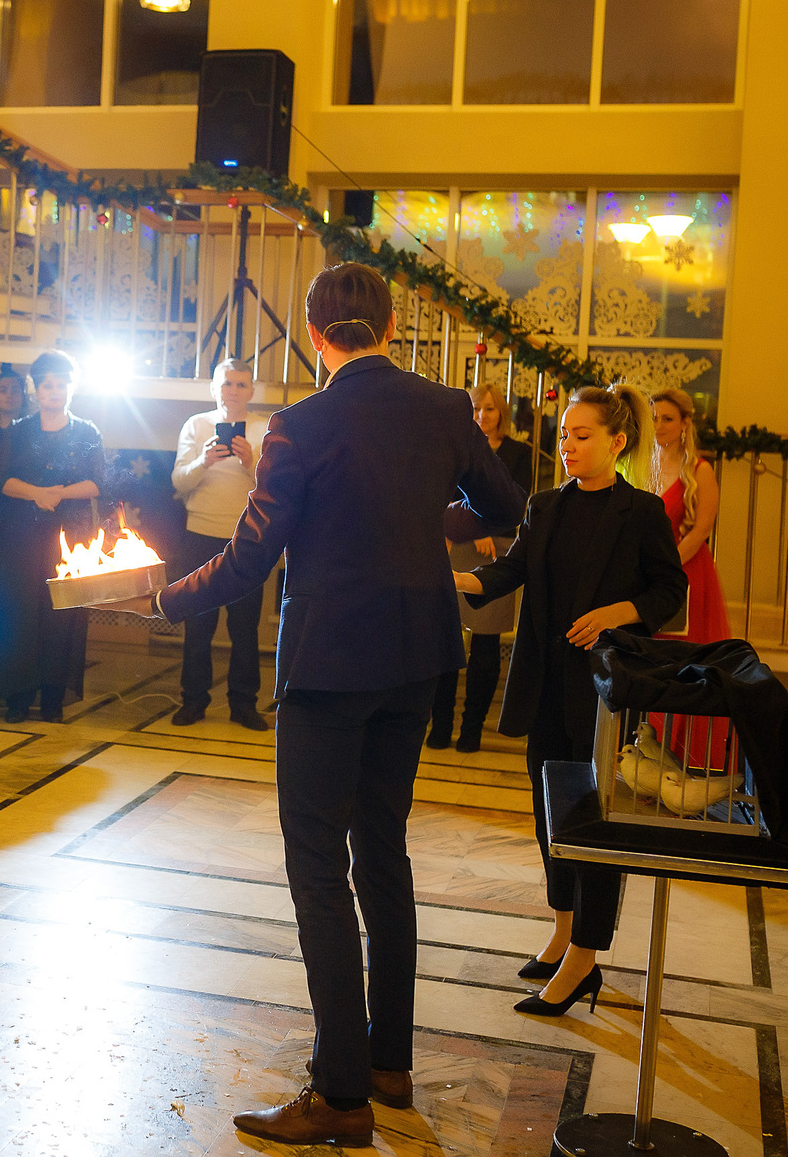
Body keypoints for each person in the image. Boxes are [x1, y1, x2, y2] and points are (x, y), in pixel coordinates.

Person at [130, 264, 525, 1147]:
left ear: (314, 334)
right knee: (384, 853)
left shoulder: (300, 426)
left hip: (328, 666)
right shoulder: (443, 407)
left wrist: (163, 601)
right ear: (390, 325)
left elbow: (249, 557)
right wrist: (423, 520)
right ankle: (388, 1064)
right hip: (418, 658)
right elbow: (507, 506)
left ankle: (341, 1094)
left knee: (317, 869)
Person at [457, 385, 686, 1020]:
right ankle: (563, 931)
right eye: (564, 435)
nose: (568, 446)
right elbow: (510, 570)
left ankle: (585, 956)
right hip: (545, 685)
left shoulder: (640, 512)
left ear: (617, 442)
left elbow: (670, 590)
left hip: (603, 693)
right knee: (549, 817)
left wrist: (617, 612)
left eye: (582, 436)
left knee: (594, 825)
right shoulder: (546, 506)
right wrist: (457, 578)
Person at [0, 350, 104, 724]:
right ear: (35, 389)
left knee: (60, 614)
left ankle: (53, 697)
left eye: (61, 384)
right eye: (47, 385)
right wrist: (36, 493)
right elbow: (1, 480)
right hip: (20, 536)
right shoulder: (17, 431)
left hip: (69, 537)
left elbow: (97, 483)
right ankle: (17, 697)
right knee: (17, 611)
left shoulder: (86, 431)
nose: (54, 391)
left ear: (71, 388)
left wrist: (58, 494)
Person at [430, 382, 537, 752]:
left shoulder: (519, 452)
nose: (482, 415)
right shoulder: (454, 447)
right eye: (476, 408)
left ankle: (472, 729)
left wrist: (487, 529)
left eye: (489, 408)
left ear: (501, 413)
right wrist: (475, 529)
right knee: (446, 641)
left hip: (498, 554)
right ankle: (440, 726)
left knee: (486, 647)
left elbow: (519, 504)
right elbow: (443, 498)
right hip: (457, 547)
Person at [169, 359, 268, 730]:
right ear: (214, 388)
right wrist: (204, 461)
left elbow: (275, 485)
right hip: (200, 535)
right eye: (227, 384)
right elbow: (179, 481)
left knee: (245, 627)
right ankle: (193, 701)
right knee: (198, 624)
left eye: (241, 385)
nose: (233, 391)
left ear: (251, 391)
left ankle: (243, 705)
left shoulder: (265, 428)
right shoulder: (196, 425)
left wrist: (250, 462)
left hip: (247, 538)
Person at [651, 388, 727, 643]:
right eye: (654, 418)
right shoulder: (640, 465)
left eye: (667, 419)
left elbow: (702, 530)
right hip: (645, 569)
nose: (658, 425)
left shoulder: (700, 471)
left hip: (684, 567)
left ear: (684, 423)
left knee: (679, 646)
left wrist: (667, 566)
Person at [0, 365, 30, 536]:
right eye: (3, 390)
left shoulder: (31, 432)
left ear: (23, 397)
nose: (9, 395)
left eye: (15, 391)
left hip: (20, 502)